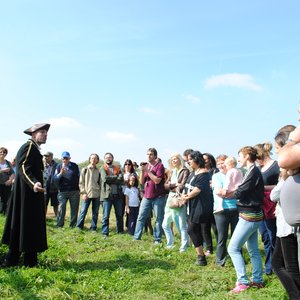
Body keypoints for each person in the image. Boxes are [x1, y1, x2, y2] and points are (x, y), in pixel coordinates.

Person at [1, 123, 50, 267]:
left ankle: (28, 260)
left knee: (27, 226)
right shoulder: (28, 147)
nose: (45, 135)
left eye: (46, 133)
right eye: (42, 132)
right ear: (34, 134)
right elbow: (23, 167)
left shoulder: (34, 149)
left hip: (31, 196)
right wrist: (34, 183)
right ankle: (14, 260)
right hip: (27, 196)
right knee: (24, 224)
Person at [227, 146, 264, 293]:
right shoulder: (252, 171)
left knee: (233, 248)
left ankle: (242, 282)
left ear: (247, 156)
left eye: (240, 156)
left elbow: (241, 191)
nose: (239, 159)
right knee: (253, 249)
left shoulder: (253, 171)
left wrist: (227, 193)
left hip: (249, 216)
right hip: (255, 215)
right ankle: (257, 280)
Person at [270, 131, 300, 300]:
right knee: (279, 264)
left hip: (289, 227)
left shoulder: (289, 172)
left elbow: (275, 195)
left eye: (277, 148)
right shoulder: (287, 173)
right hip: (284, 224)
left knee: (290, 267)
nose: (277, 153)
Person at [181, 150, 213, 266]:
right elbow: (188, 186)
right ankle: (201, 255)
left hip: (201, 207)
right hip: (192, 206)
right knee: (194, 229)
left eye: (190, 160)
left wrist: (187, 197)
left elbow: (197, 189)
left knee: (191, 229)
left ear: (196, 160)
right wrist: (184, 195)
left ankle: (201, 256)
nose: (188, 162)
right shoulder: (193, 172)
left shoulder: (204, 174)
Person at [254, 142, 279, 275]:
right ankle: (269, 267)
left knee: (273, 235)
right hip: (261, 206)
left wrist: (263, 188)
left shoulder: (276, 166)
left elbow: (281, 185)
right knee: (265, 236)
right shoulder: (258, 168)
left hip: (272, 205)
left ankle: (277, 265)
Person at [212, 154, 239, 267]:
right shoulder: (216, 176)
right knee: (222, 237)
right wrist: (231, 192)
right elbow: (219, 192)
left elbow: (239, 190)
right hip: (221, 210)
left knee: (236, 237)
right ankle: (220, 261)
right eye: (218, 163)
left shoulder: (236, 174)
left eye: (223, 163)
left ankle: (237, 259)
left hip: (236, 209)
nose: (221, 165)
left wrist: (228, 193)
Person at [134, 148, 166, 243]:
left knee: (158, 219)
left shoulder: (160, 166)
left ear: (155, 156)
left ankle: (157, 239)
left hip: (158, 197)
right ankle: (137, 237)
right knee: (141, 217)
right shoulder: (146, 166)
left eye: (151, 154)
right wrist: (143, 171)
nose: (149, 156)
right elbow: (141, 182)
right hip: (146, 196)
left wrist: (147, 171)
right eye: (147, 154)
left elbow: (157, 180)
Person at [162, 153, 190, 252]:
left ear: (180, 160)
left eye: (175, 159)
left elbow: (182, 185)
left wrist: (173, 186)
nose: (174, 161)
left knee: (182, 225)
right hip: (170, 198)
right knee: (165, 224)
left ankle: (184, 246)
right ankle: (170, 244)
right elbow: (164, 186)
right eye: (172, 159)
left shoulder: (185, 170)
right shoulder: (172, 171)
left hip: (179, 198)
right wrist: (174, 184)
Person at [100, 152, 124, 237]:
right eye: (107, 157)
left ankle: (120, 231)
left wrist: (113, 178)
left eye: (110, 157)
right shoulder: (102, 168)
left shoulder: (117, 168)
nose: (108, 158)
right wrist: (115, 177)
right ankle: (105, 233)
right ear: (104, 159)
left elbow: (121, 179)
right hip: (107, 196)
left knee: (119, 215)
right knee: (106, 216)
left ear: (112, 159)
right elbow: (105, 179)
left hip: (117, 195)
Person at [54, 151, 80, 228]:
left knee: (74, 209)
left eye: (66, 158)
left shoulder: (75, 166)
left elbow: (79, 176)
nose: (65, 160)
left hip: (74, 191)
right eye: (63, 158)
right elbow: (55, 178)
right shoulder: (58, 167)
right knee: (61, 209)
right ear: (61, 159)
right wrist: (61, 174)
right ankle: (59, 225)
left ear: (69, 158)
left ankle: (72, 225)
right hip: (62, 191)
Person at [77, 153, 101, 231]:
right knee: (83, 211)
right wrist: (83, 193)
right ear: (89, 159)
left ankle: (93, 228)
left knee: (95, 212)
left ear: (97, 160)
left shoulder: (99, 171)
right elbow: (81, 183)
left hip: (96, 194)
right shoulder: (85, 169)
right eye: (92, 158)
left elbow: (100, 183)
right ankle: (79, 227)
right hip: (86, 194)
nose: (93, 159)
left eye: (95, 158)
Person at [43, 151, 59, 217]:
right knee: (44, 204)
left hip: (54, 188)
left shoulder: (57, 165)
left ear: (51, 157)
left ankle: (57, 218)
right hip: (45, 188)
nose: (45, 157)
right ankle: (43, 218)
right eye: (45, 156)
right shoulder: (42, 165)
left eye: (47, 156)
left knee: (55, 204)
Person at [0, 147, 15, 214]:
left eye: (4, 152)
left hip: (6, 184)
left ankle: (3, 213)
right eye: (1, 152)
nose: (2, 153)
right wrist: (2, 170)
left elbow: (12, 173)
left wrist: (10, 180)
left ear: (6, 154)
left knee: (5, 199)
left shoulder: (8, 163)